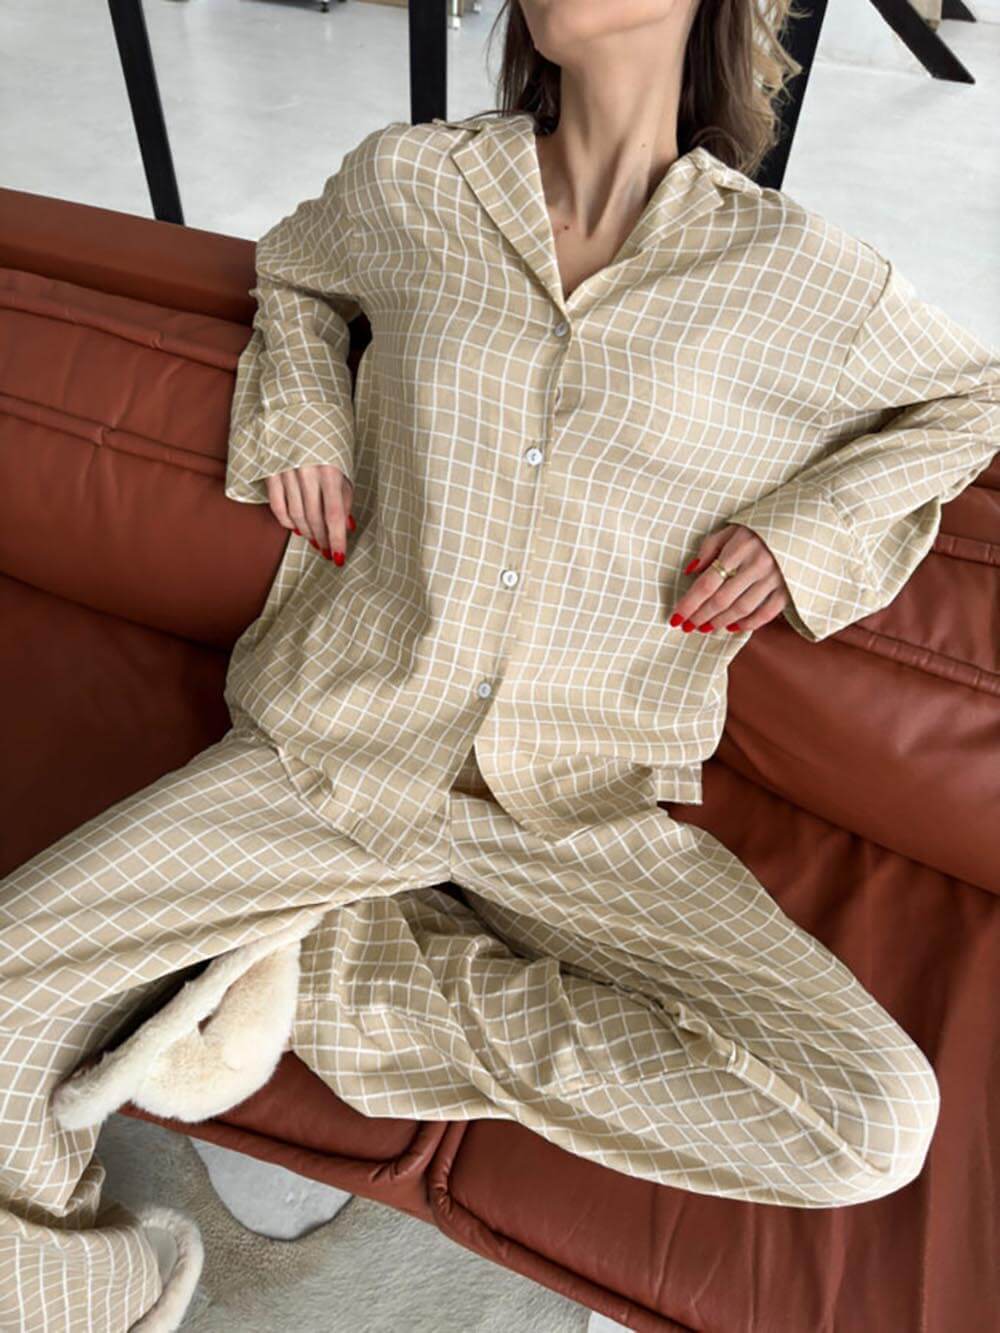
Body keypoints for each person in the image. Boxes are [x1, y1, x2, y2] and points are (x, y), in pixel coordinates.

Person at [3, 1, 999, 1328]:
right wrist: (302, 412)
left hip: (575, 801)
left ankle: (343, 984)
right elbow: (298, 273)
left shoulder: (798, 276)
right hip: (333, 745)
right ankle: (110, 1280)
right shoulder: (416, 181)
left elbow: (971, 396)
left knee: (867, 1119)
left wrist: (805, 532)